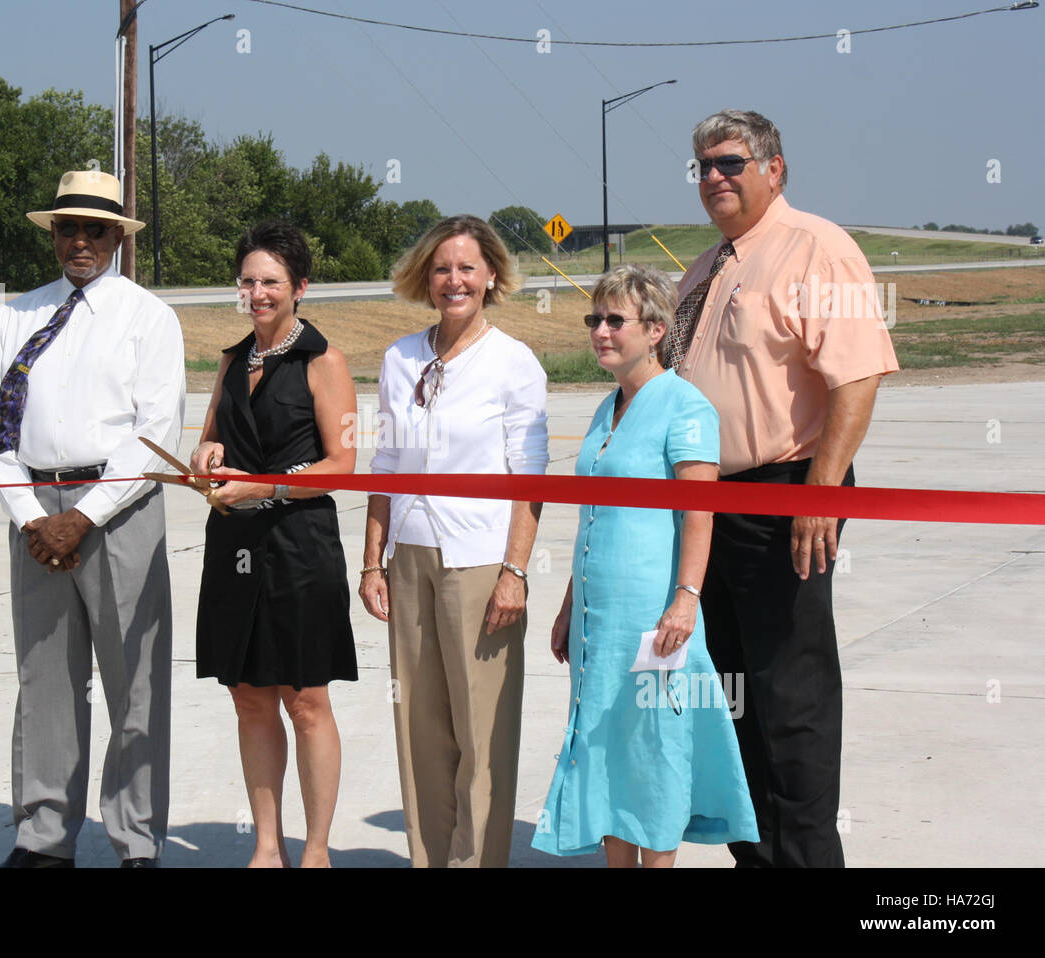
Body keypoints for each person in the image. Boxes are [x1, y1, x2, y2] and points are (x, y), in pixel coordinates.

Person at [670, 110, 899, 867]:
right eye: (702, 166)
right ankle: (757, 856)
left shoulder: (815, 248)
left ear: (776, 169)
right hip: (709, 506)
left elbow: (856, 377)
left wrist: (820, 493)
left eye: (730, 163)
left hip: (786, 493)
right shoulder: (707, 267)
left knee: (790, 697)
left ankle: (806, 859)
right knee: (732, 696)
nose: (713, 178)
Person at [0, 170, 185, 868]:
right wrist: (31, 516)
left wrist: (85, 517)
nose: (80, 241)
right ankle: (43, 837)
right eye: (68, 227)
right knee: (45, 679)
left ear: (117, 239)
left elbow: (156, 431)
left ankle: (135, 840)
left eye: (95, 229)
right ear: (54, 236)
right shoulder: (16, 316)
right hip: (35, 516)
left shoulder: (148, 317)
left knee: (136, 680)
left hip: (118, 511)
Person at [531, 264, 758, 867]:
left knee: (652, 752)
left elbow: (700, 514)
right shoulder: (607, 409)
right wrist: (566, 606)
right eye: (593, 320)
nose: (600, 331)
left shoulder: (685, 406)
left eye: (614, 320)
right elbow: (595, 518)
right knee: (605, 749)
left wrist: (686, 598)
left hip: (655, 618)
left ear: (655, 330)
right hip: (597, 621)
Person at [358, 214, 549, 867]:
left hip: (481, 561)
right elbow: (385, 464)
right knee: (421, 729)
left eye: (467, 267)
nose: (454, 280)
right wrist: (371, 561)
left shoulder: (513, 363)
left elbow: (530, 479)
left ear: (492, 275)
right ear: (425, 277)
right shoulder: (399, 357)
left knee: (481, 732)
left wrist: (514, 572)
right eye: (442, 268)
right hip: (408, 557)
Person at [190, 221, 358, 868]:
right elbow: (209, 444)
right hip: (231, 542)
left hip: (298, 544)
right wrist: (206, 457)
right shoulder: (233, 360)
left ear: (300, 288)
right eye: (249, 281)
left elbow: (342, 465)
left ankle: (315, 850)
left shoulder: (323, 360)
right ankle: (267, 845)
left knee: (305, 697)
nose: (257, 293)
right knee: (249, 692)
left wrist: (261, 488)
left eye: (271, 282)